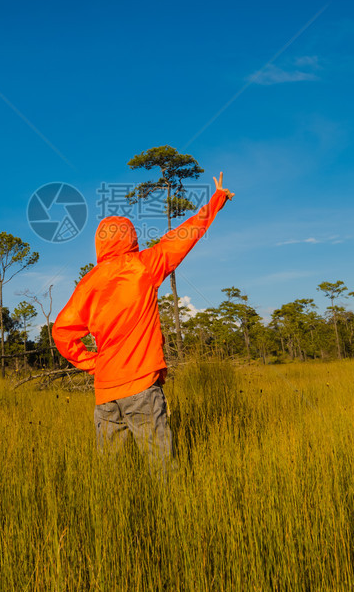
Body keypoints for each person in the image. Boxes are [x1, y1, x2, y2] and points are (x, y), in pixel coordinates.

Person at [52, 173, 234, 463]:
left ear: (100, 244)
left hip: (105, 392)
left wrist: (93, 364)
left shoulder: (89, 282)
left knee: (111, 477)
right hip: (141, 386)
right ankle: (169, 509)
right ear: (132, 238)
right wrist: (216, 200)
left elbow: (62, 332)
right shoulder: (144, 266)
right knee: (161, 470)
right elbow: (184, 236)